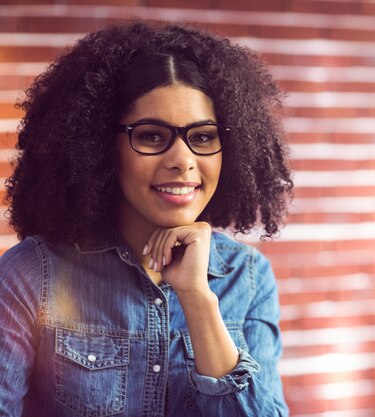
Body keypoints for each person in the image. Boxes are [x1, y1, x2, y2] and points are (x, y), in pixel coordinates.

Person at [0, 21, 292, 416]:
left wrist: (198, 301)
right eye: (152, 136)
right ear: (101, 148)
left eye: (203, 137)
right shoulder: (32, 274)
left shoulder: (249, 278)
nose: (183, 161)